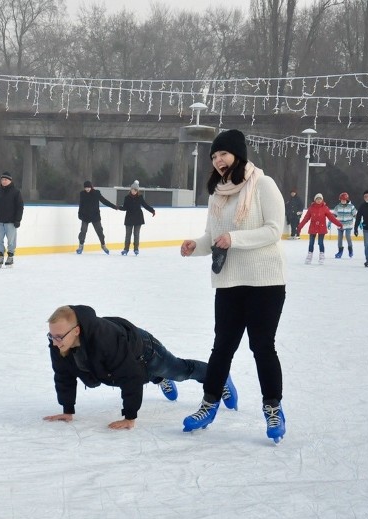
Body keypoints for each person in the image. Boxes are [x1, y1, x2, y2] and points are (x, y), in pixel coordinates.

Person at [179, 129, 288, 443]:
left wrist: (235, 239)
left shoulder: (263, 185)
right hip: (228, 282)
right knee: (222, 347)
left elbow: (273, 231)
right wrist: (195, 246)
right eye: (214, 157)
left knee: (262, 347)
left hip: (265, 281)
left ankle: (273, 408)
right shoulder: (218, 195)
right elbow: (214, 239)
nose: (218, 161)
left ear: (237, 155)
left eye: (222, 154)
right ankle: (209, 404)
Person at [43, 305, 237, 430]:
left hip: (145, 350)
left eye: (59, 336)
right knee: (101, 376)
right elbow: (63, 375)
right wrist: (67, 409)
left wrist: (130, 417)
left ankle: (219, 377)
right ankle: (158, 378)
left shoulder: (105, 340)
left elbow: (131, 376)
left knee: (180, 371)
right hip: (126, 360)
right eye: (52, 336)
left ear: (76, 330)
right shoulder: (59, 343)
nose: (54, 341)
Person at [0, 171, 24, 267]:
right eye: (2, 179)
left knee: (11, 241)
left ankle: (10, 257)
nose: (3, 181)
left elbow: (20, 207)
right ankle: (0, 257)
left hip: (11, 222)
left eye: (5, 179)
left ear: (10, 180)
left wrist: (18, 220)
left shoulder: (16, 192)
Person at [297, 193, 342, 265]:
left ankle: (321, 256)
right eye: (317, 199)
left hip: (321, 228)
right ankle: (309, 256)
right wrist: (300, 226)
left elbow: (331, 218)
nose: (318, 200)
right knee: (311, 243)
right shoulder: (311, 208)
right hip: (313, 227)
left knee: (320, 243)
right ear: (315, 200)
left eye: (320, 199)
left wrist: (339, 224)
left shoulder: (325, 208)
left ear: (322, 200)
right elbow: (306, 219)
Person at [76, 180, 118, 254]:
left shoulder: (96, 193)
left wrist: (114, 206)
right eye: (86, 188)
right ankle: (80, 246)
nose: (87, 189)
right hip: (85, 216)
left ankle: (103, 245)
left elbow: (104, 201)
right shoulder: (82, 194)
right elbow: (81, 204)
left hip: (95, 216)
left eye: (88, 187)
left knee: (99, 231)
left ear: (91, 187)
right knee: (83, 231)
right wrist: (79, 214)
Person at [119, 180, 155, 256]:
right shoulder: (127, 198)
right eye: (132, 190)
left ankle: (136, 249)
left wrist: (152, 210)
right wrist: (118, 207)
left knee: (136, 234)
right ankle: (126, 249)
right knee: (128, 234)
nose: (133, 191)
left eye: (135, 190)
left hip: (138, 218)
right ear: (130, 189)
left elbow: (145, 205)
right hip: (129, 218)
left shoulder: (140, 197)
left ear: (137, 191)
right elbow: (125, 207)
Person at [332, 191, 357, 259]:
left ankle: (350, 250)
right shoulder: (338, 207)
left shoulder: (351, 207)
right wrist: (330, 222)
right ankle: (340, 251)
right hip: (340, 225)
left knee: (347, 236)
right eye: (342, 200)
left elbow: (355, 215)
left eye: (344, 200)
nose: (343, 201)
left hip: (348, 225)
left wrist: (359, 222)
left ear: (347, 200)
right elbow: (334, 215)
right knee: (339, 239)